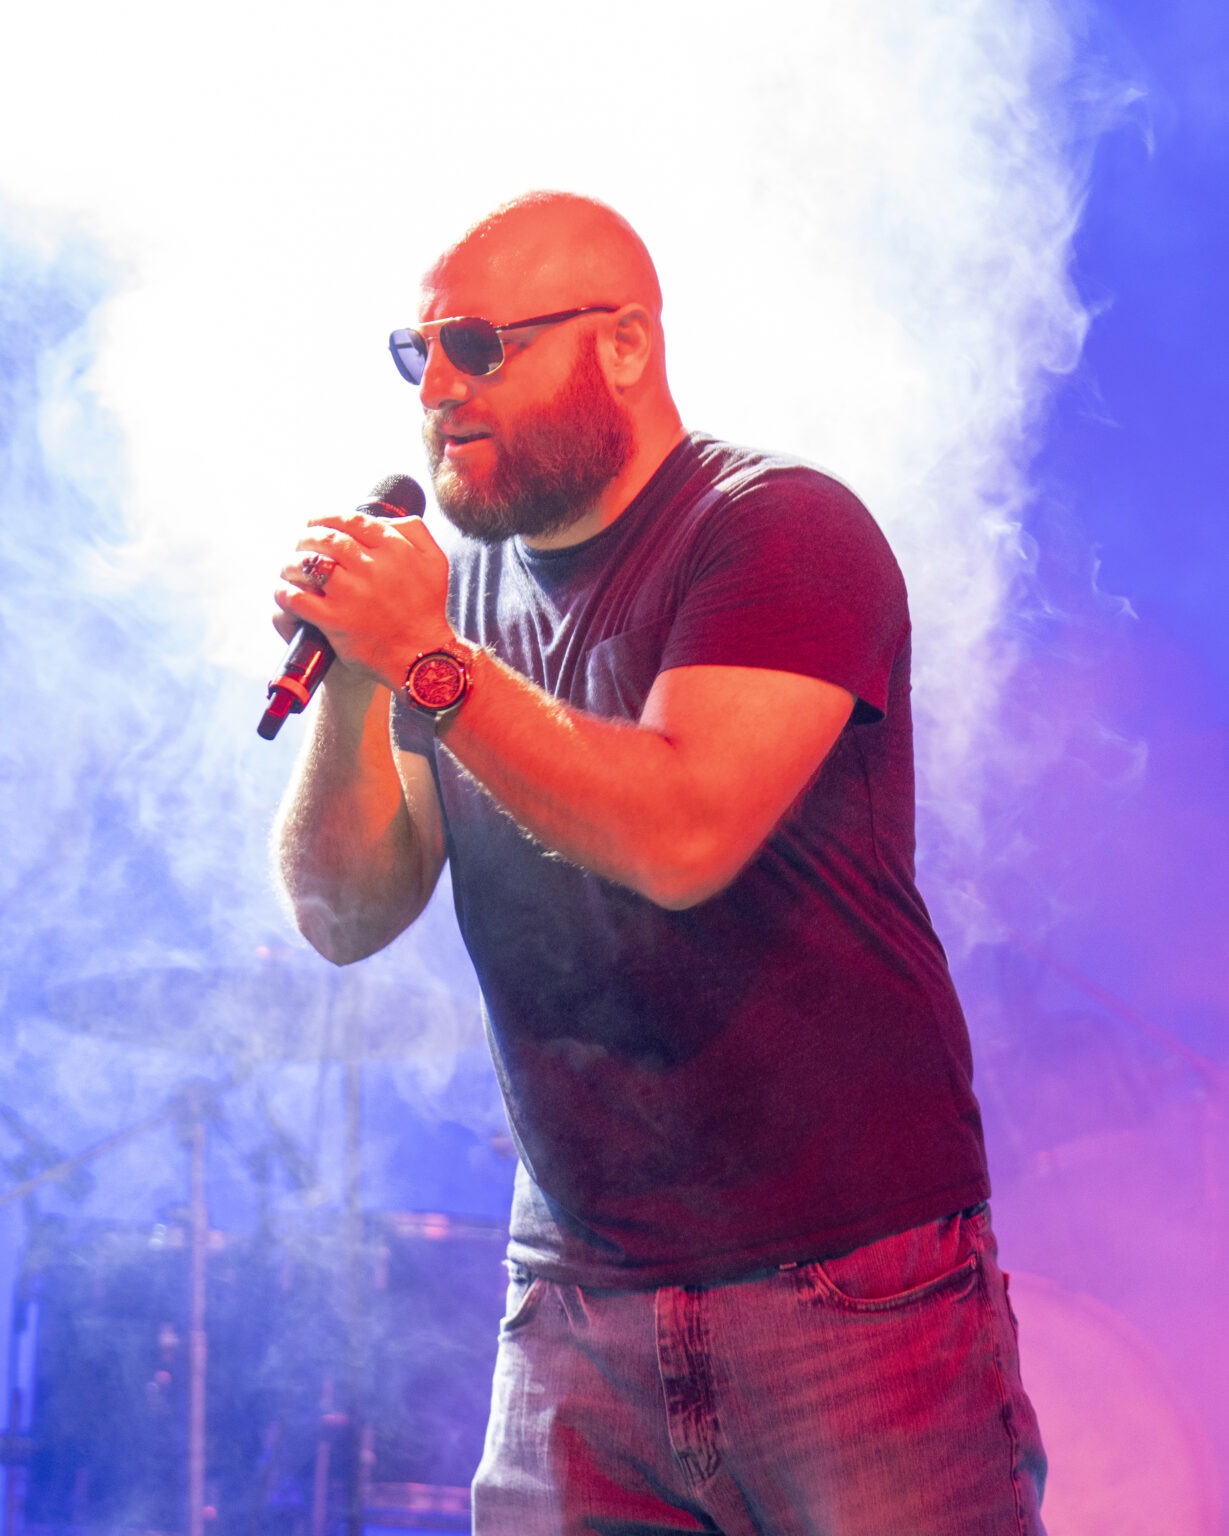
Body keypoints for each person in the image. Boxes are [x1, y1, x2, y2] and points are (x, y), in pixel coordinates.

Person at [271, 191, 1047, 1535]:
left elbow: (679, 836)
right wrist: (352, 678)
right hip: (577, 1309)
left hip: (847, 1291)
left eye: (475, 346)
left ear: (621, 345)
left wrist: (428, 665)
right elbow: (346, 912)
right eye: (417, 356)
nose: (438, 392)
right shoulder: (445, 608)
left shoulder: (777, 531)